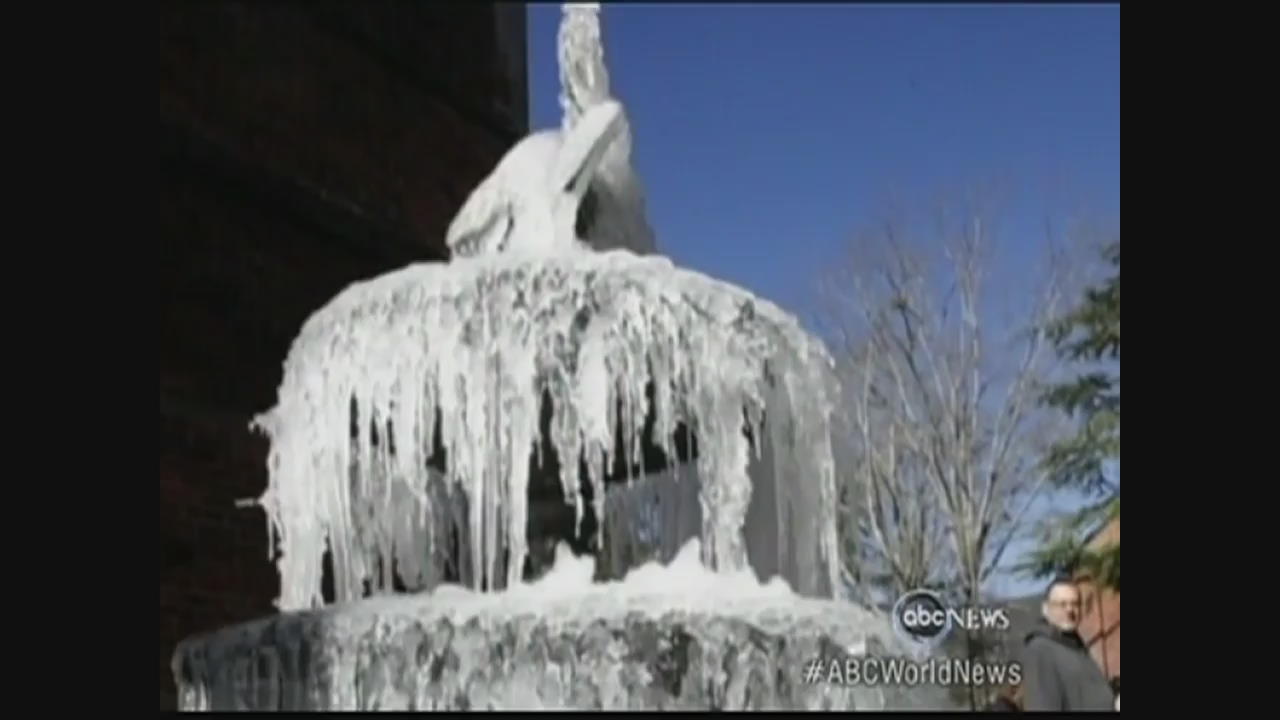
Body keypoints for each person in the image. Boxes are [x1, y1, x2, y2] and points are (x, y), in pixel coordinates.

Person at [1021, 576, 1115, 711]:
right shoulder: (1041, 649)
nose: (1070, 610)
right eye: (1062, 604)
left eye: (1075, 603)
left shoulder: (1075, 647)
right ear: (1045, 609)